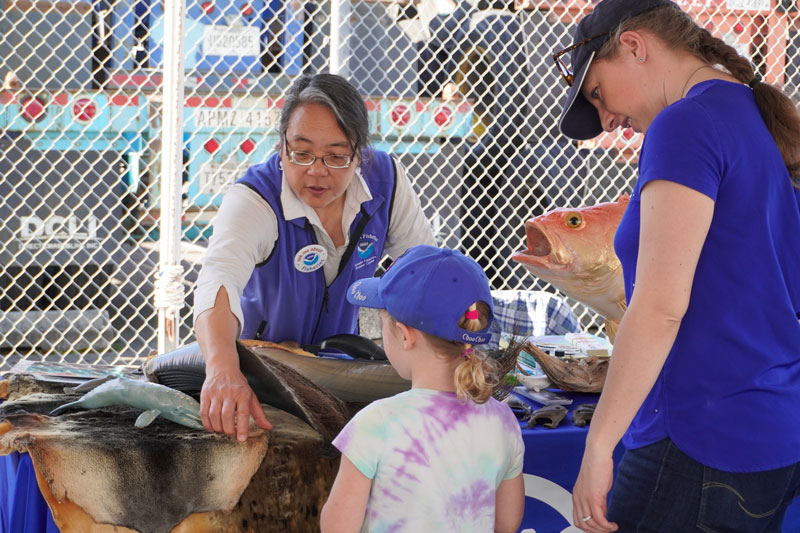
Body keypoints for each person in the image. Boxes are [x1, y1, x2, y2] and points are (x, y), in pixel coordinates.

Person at [553, 0, 800, 531]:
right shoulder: (753, 114)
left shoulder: (685, 124)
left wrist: (599, 444)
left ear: (635, 46)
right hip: (768, 427)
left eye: (597, 92)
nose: (606, 119)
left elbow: (661, 306)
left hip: (700, 434)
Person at [193, 74, 436, 441]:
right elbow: (218, 278)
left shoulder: (387, 182)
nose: (317, 171)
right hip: (263, 375)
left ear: (359, 153)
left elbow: (425, 272)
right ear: (281, 145)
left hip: (341, 368)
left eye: (337, 156)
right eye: (302, 152)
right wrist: (223, 369)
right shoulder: (255, 199)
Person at [319, 245, 525, 532]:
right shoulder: (503, 421)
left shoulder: (376, 423)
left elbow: (337, 528)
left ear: (405, 336)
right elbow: (507, 522)